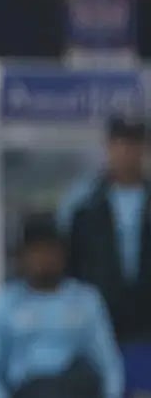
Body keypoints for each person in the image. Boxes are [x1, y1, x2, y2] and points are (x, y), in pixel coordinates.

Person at [0, 214, 123, 398]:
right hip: (26, 390)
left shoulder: (86, 300)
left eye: (51, 250)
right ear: (21, 257)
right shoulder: (1, 304)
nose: (45, 258)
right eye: (36, 251)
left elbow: (109, 364)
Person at [58, 113, 151, 344]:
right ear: (108, 148)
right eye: (120, 144)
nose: (127, 152)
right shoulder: (84, 206)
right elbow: (73, 265)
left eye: (134, 144)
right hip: (100, 320)